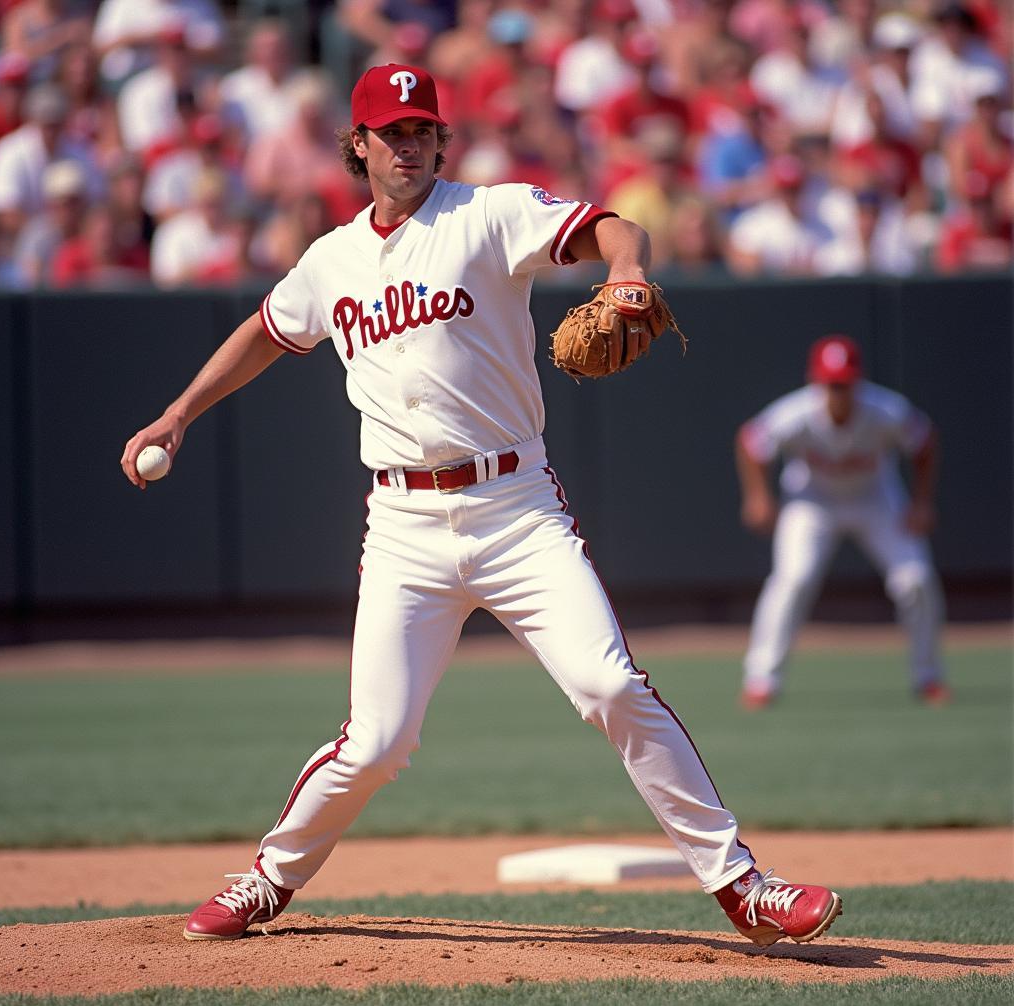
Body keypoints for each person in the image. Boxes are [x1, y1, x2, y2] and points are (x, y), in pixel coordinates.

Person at [121, 62, 842, 948]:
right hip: (403, 529)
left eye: (423, 127)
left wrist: (625, 275)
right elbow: (267, 333)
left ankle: (743, 887)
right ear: (360, 145)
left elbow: (618, 227)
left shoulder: (489, 212)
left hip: (516, 508)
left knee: (609, 683)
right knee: (378, 742)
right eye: (392, 131)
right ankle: (270, 878)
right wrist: (179, 411)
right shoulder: (332, 260)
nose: (411, 142)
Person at [735, 334, 950, 709]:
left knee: (915, 580)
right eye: (831, 384)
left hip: (876, 498)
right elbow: (751, 441)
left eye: (844, 384)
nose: (838, 391)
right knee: (793, 579)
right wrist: (758, 495)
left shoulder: (886, 409)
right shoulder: (797, 412)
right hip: (812, 501)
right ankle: (761, 679)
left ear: (858, 381)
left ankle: (928, 676)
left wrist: (922, 502)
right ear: (816, 381)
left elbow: (925, 440)